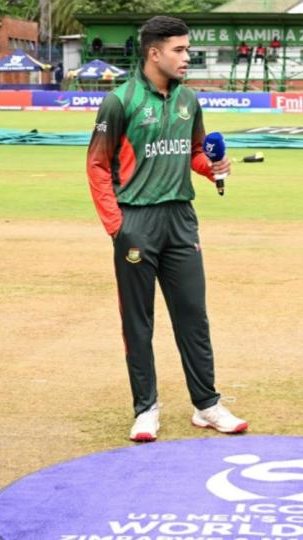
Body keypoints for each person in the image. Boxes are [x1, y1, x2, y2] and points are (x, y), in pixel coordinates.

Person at [86, 15, 248, 443]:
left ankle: (207, 404)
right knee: (138, 322)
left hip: (181, 221)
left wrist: (212, 169)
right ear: (154, 52)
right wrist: (116, 226)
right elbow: (98, 166)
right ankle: (146, 409)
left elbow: (194, 152)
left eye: (188, 50)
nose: (187, 57)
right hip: (136, 221)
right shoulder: (120, 102)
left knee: (193, 316)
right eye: (179, 50)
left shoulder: (189, 101)